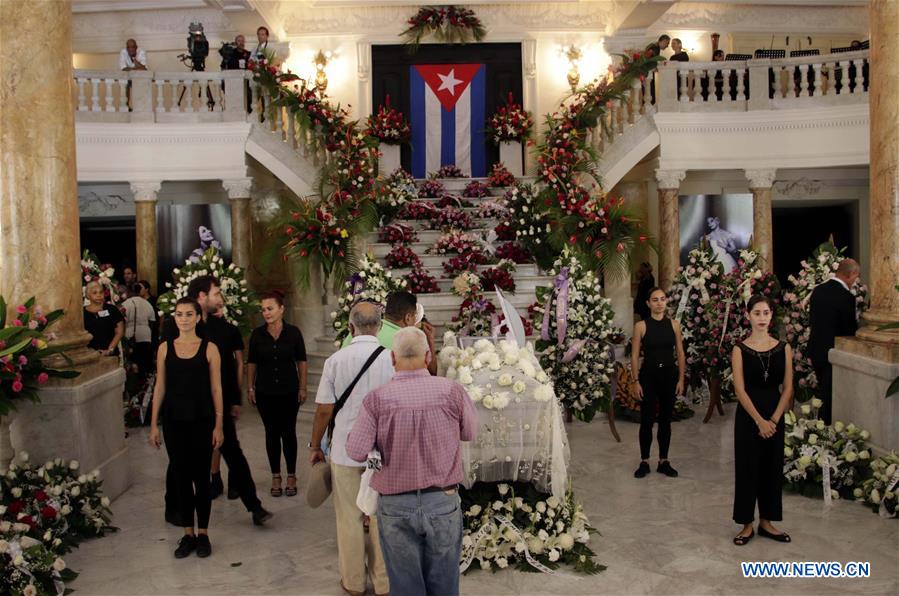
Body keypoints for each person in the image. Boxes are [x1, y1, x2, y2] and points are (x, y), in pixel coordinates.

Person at [347, 327, 478, 596]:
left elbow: (356, 451)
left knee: (405, 586)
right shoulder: (452, 391)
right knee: (444, 585)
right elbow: (470, 433)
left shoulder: (376, 400)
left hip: (395, 504)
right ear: (428, 356)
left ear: (392, 358)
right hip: (442, 500)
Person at [161, 275, 272, 526]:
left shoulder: (222, 329)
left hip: (216, 405)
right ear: (202, 296)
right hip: (184, 406)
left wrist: (233, 400)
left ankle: (254, 506)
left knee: (233, 452)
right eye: (216, 293)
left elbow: (227, 371)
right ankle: (174, 507)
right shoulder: (176, 327)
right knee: (179, 459)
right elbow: (167, 367)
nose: (220, 298)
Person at [310, 302, 394, 596]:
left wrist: (315, 445)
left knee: (349, 517)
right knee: (381, 516)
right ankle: (384, 583)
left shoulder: (336, 360)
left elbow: (323, 410)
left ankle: (354, 582)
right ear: (380, 327)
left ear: (350, 326)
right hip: (384, 452)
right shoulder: (391, 359)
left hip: (346, 450)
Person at [148, 297, 225, 558]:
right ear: (175, 317)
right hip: (173, 420)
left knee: (202, 478)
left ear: (197, 317)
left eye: (189, 314)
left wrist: (219, 425)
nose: (183, 318)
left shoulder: (210, 348)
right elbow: (160, 387)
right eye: (179, 314)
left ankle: (203, 533)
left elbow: (217, 388)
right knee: (180, 478)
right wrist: (153, 424)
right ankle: (187, 534)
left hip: (202, 419)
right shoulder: (164, 348)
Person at [731, 294, 793, 546]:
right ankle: (746, 524)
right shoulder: (739, 349)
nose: (762, 318)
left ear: (771, 316)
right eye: (756, 313)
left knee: (771, 469)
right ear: (748, 316)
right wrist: (760, 421)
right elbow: (740, 390)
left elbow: (788, 387)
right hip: (749, 417)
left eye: (765, 313)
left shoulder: (783, 348)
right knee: (748, 469)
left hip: (775, 414)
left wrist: (774, 420)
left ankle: (767, 521)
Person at [247, 290, 308, 497]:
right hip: (265, 391)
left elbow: (301, 361)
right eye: (263, 309)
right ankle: (275, 475)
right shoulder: (257, 334)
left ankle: (291, 474)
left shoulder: (294, 333)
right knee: (271, 433)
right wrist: (250, 387)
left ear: (281, 309)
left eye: (270, 308)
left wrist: (302, 386)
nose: (266, 313)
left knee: (288, 432)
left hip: (289, 390)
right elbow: (252, 362)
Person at [631, 287, 686, 478]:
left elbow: (680, 352)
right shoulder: (641, 326)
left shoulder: (674, 325)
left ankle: (664, 460)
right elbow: (635, 355)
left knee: (665, 420)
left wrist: (681, 378)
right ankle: (644, 461)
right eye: (655, 300)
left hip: (669, 376)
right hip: (648, 377)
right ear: (648, 303)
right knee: (646, 420)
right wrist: (636, 381)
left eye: (662, 299)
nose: (659, 303)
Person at [808, 259, 859, 425]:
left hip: (816, 350)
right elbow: (848, 332)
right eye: (856, 276)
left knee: (824, 393)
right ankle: (826, 433)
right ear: (851, 275)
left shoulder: (818, 290)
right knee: (831, 399)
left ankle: (822, 428)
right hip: (834, 354)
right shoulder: (846, 297)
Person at [341, 292, 438, 375]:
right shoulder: (409, 340)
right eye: (414, 317)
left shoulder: (359, 330)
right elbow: (430, 373)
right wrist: (430, 340)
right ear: (408, 318)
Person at [121, 282, 157, 378]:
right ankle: (146, 382)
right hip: (146, 335)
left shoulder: (125, 304)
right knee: (145, 360)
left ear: (129, 292)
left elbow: (122, 322)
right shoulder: (147, 303)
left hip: (130, 335)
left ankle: (136, 382)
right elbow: (152, 321)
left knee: (134, 360)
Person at [83, 281, 125, 357]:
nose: (99, 295)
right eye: (94, 293)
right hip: (89, 355)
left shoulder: (112, 309)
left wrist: (109, 350)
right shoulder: (82, 313)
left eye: (101, 292)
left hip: (110, 354)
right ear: (88, 295)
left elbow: (119, 331)